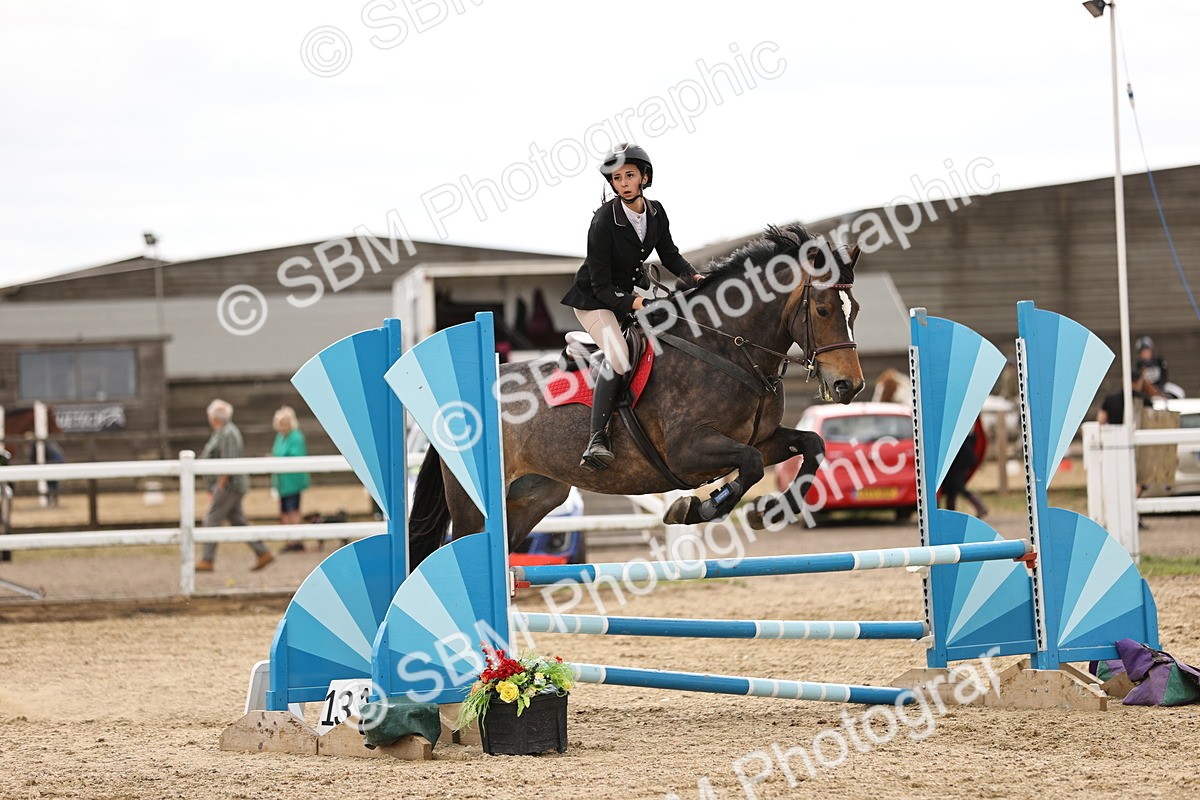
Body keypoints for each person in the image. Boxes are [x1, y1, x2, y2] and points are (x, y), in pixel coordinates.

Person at [560, 143, 704, 470]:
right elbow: (600, 286)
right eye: (617, 178)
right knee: (620, 357)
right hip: (594, 302)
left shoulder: (656, 212)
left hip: (626, 301)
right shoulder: (602, 222)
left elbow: (669, 256)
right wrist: (640, 302)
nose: (623, 182)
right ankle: (597, 438)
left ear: (644, 177)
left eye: (629, 175)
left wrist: (694, 277)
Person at [195, 399, 273, 572]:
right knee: (238, 521)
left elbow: (229, 462)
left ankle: (207, 559)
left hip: (229, 486)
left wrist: (219, 485)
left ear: (214, 417)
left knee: (212, 519)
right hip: (228, 485)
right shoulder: (222, 432)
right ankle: (262, 552)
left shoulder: (228, 433)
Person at [272, 406, 311, 553]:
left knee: (293, 509)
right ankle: (288, 540)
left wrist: (277, 459)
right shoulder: (280, 437)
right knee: (283, 511)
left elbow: (296, 456)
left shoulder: (296, 437)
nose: (281, 426)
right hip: (282, 481)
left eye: (284, 423)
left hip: (293, 481)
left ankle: (296, 540)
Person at [941, 417, 989, 518]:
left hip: (962, 454)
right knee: (951, 486)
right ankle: (950, 514)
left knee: (956, 485)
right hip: (958, 453)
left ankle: (980, 507)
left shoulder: (963, 417)